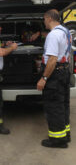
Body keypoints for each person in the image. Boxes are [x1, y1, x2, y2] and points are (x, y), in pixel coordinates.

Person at [37, 9, 72, 148]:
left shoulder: (52, 35)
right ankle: (65, 134)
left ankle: (57, 140)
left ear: (49, 18)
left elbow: (52, 60)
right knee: (63, 105)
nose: (44, 21)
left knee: (54, 107)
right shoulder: (65, 32)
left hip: (55, 76)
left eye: (44, 19)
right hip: (64, 73)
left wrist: (44, 78)